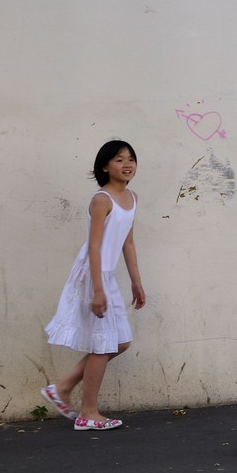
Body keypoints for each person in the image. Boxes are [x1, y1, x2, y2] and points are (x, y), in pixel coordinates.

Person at [41, 140, 148, 432]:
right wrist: (98, 289)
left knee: (120, 341)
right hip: (93, 274)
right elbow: (96, 246)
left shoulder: (132, 197)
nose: (127, 164)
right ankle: (89, 413)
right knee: (102, 344)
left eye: (131, 159)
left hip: (107, 275)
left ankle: (62, 388)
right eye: (118, 160)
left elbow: (127, 241)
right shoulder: (101, 199)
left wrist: (137, 282)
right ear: (104, 166)